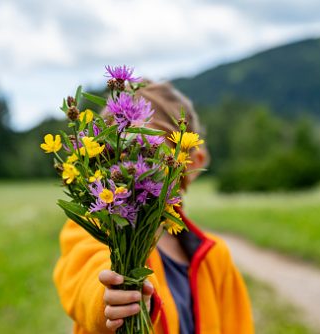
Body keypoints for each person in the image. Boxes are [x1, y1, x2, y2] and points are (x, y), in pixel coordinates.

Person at [54, 81, 254, 334]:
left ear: (191, 161)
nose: (128, 166)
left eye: (147, 150)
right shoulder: (97, 224)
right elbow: (84, 271)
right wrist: (108, 298)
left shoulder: (216, 258)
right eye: (114, 151)